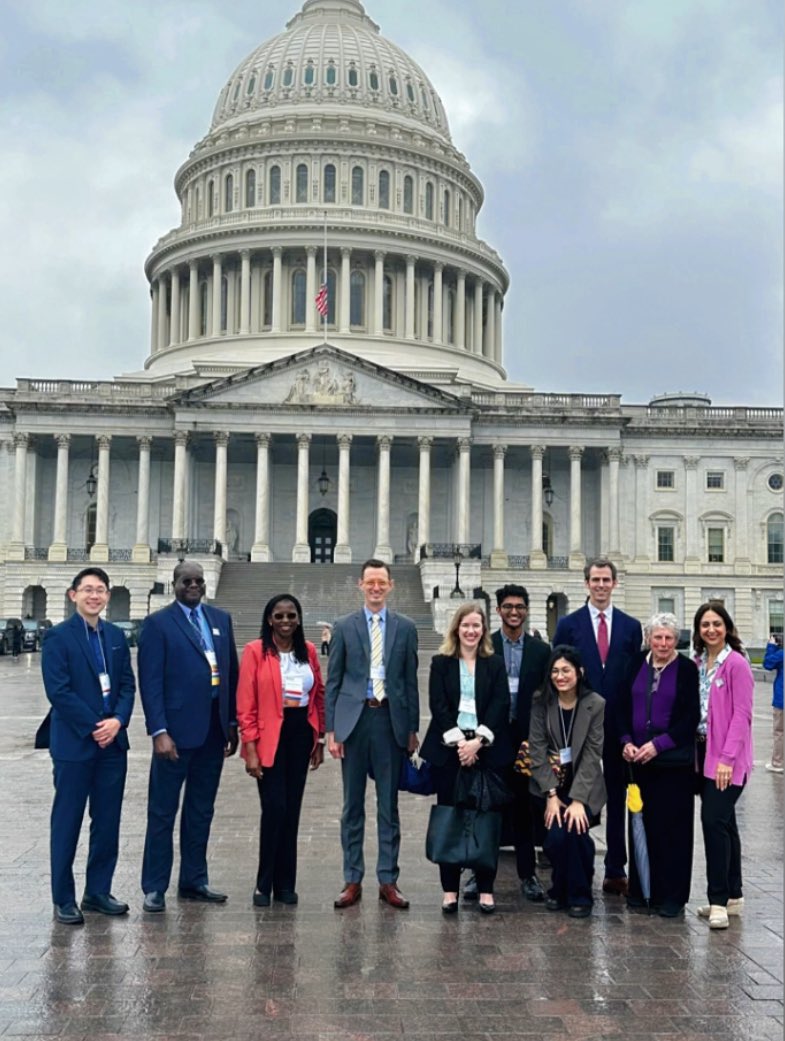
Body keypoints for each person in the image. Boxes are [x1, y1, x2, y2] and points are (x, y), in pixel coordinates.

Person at [138, 560, 239, 913]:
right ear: (175, 583)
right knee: (163, 812)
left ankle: (194, 880)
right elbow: (150, 684)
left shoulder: (220, 620)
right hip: (175, 736)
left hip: (212, 732)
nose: (193, 585)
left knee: (201, 811)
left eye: (198, 580)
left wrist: (231, 724)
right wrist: (159, 731)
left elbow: (231, 675)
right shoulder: (157, 624)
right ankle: (154, 886)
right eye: (186, 581)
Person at [37, 567, 135, 925]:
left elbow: (127, 684)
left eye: (100, 590)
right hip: (76, 743)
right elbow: (58, 690)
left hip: (113, 743)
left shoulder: (115, 636)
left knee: (107, 821)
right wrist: (97, 726)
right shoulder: (59, 637)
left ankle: (97, 890)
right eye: (88, 590)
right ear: (73, 595)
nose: (94, 596)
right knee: (68, 820)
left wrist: (118, 720)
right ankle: (63, 897)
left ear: (108, 596)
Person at [326, 559, 420, 910]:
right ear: (361, 586)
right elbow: (333, 680)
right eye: (370, 583)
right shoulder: (344, 626)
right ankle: (352, 878)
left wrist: (412, 729)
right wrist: (332, 730)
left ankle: (388, 879)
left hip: (389, 721)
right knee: (352, 805)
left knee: (388, 806)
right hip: (354, 721)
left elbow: (409, 681)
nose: (376, 588)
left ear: (391, 585)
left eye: (382, 582)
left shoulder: (406, 627)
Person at [553, 557, 642, 895]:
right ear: (586, 583)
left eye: (606, 580)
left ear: (614, 584)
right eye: (595, 580)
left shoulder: (630, 627)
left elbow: (634, 679)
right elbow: (558, 673)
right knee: (576, 791)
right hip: (578, 723)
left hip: (618, 725)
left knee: (618, 795)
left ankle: (616, 867)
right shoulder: (569, 625)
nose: (601, 585)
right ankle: (577, 860)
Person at [421, 601, 512, 914]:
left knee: (485, 819)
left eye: (477, 625)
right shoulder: (441, 662)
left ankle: (486, 888)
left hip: (485, 751)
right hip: (450, 752)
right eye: (466, 625)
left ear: (483, 630)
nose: (471, 631)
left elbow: (501, 704)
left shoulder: (494, 663)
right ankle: (450, 891)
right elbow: (438, 705)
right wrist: (461, 742)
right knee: (450, 817)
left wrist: (478, 742)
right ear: (456, 629)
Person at [237, 594, 325, 906]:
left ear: (299, 619)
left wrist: (320, 739)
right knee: (274, 808)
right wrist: (250, 747)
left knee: (292, 811)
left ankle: (286, 883)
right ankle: (264, 882)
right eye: (279, 616)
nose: (285, 622)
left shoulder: (309, 651)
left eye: (291, 616)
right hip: (268, 736)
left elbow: (318, 695)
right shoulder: (255, 651)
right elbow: (245, 703)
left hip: (300, 733)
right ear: (269, 620)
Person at [464, 584, 550, 903]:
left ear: (526, 610)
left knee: (524, 809)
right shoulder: (485, 647)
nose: (514, 612)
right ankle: (478, 872)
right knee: (485, 806)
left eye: (519, 607)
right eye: (508, 607)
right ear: (497, 610)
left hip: (527, 738)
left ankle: (528, 875)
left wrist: (540, 737)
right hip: (491, 736)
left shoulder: (541, 651)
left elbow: (547, 697)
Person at [618, 613, 700, 917]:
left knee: (673, 831)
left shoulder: (687, 669)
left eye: (668, 638)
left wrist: (658, 745)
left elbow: (690, 718)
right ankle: (642, 891)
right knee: (641, 827)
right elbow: (621, 706)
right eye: (657, 637)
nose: (663, 643)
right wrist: (626, 740)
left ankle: (671, 896)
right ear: (649, 638)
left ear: (676, 639)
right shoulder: (636, 664)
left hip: (672, 764)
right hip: (638, 762)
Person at [528, 646, 606, 917]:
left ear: (579, 672)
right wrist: (551, 795)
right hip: (550, 782)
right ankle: (562, 887)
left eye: (566, 670)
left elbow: (593, 753)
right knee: (556, 840)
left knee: (575, 832)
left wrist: (578, 800)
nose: (560, 676)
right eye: (555, 671)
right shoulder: (541, 702)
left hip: (584, 783)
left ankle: (578, 895)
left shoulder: (595, 704)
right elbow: (536, 750)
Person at [692, 602, 754, 930]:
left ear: (727, 627)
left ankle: (717, 900)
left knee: (712, 821)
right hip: (702, 754)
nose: (711, 630)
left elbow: (742, 716)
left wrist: (727, 760)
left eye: (717, 624)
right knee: (726, 822)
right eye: (705, 625)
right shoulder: (699, 661)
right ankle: (734, 896)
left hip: (727, 758)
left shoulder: (737, 664)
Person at [762, 635, 783, 773]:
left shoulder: (782, 654)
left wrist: (771, 646)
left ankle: (778, 763)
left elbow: (767, 664)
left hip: (782, 699)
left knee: (780, 732)